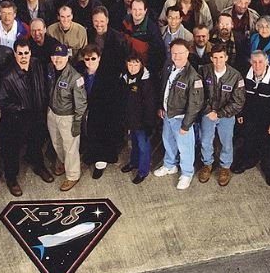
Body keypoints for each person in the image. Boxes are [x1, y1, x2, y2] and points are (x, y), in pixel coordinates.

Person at [0, 39, 54, 196]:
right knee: (13, 151)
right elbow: (1, 101)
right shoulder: (7, 76)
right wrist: (19, 107)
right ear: (15, 54)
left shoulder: (37, 65)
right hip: (18, 119)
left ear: (30, 53)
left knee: (36, 143)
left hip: (37, 114)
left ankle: (38, 165)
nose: (23, 57)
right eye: (20, 53)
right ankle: (11, 179)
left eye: (26, 53)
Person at [153, 38, 204, 190]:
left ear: (187, 53)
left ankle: (187, 173)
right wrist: (161, 107)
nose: (176, 56)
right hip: (168, 114)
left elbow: (195, 104)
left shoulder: (193, 77)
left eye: (180, 53)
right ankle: (170, 165)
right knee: (167, 141)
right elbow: (164, 88)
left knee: (185, 147)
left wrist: (186, 124)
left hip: (181, 118)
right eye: (174, 53)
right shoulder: (169, 66)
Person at [234, 48, 270, 185]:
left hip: (269, 119)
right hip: (250, 116)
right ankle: (248, 160)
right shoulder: (245, 74)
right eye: (254, 62)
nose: (257, 65)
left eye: (260, 62)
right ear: (250, 62)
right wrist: (240, 113)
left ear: (267, 62)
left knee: (269, 147)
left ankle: (268, 170)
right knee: (248, 140)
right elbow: (239, 96)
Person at [197, 46, 244, 186]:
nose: (218, 61)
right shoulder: (203, 71)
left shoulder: (235, 76)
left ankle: (225, 167)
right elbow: (198, 94)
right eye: (215, 58)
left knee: (226, 141)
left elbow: (238, 101)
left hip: (226, 115)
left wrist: (220, 113)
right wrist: (208, 111)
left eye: (221, 57)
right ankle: (207, 164)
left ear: (226, 58)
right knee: (205, 139)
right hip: (208, 113)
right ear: (211, 58)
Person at [46, 43, 88, 192]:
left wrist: (77, 122)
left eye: (61, 56)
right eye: (55, 56)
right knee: (57, 143)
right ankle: (64, 164)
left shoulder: (76, 77)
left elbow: (81, 103)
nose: (58, 59)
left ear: (67, 57)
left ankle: (72, 175)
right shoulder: (50, 69)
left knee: (70, 148)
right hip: (52, 113)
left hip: (67, 117)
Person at [78, 45, 124, 179]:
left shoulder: (108, 74)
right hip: (88, 109)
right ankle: (92, 155)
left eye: (93, 58)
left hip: (105, 111)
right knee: (90, 134)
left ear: (99, 58)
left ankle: (100, 162)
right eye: (87, 59)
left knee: (103, 136)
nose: (90, 62)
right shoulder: (81, 71)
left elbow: (115, 96)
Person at [121, 52, 157, 184]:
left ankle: (143, 171)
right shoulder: (124, 77)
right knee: (134, 144)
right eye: (130, 64)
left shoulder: (146, 81)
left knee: (143, 146)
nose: (132, 67)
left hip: (142, 122)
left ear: (141, 64)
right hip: (131, 120)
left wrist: (149, 123)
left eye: (136, 64)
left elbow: (150, 104)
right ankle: (134, 163)